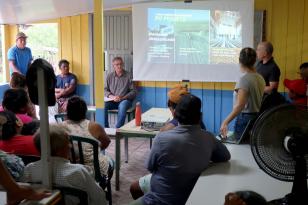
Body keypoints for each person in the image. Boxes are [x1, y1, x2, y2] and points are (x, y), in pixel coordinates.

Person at [129, 94, 231, 205]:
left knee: (134, 188)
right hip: (191, 195)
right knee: (136, 186)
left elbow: (150, 167)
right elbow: (225, 156)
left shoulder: (161, 138)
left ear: (175, 114)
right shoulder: (209, 138)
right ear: (200, 116)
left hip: (160, 200)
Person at [20, 124, 107, 205]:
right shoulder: (79, 172)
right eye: (68, 143)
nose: (70, 146)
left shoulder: (29, 169)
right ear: (59, 150)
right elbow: (98, 199)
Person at [220, 47, 265, 140]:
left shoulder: (244, 79)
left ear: (240, 61)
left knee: (241, 149)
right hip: (256, 118)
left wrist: (225, 122)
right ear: (254, 60)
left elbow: (240, 105)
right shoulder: (260, 78)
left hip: (245, 120)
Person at [62, 96, 113, 177]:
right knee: (110, 161)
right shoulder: (95, 126)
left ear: (68, 111)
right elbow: (107, 141)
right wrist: (96, 149)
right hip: (94, 171)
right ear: (84, 110)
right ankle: (102, 185)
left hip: (71, 167)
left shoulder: (61, 126)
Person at [104, 56, 137, 128]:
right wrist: (112, 97)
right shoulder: (109, 76)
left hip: (125, 100)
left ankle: (118, 130)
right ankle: (106, 129)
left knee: (122, 106)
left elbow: (134, 91)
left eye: (121, 64)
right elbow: (105, 90)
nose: (119, 66)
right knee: (103, 105)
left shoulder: (129, 76)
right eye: (117, 64)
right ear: (113, 66)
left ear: (123, 64)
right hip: (112, 100)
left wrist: (122, 98)